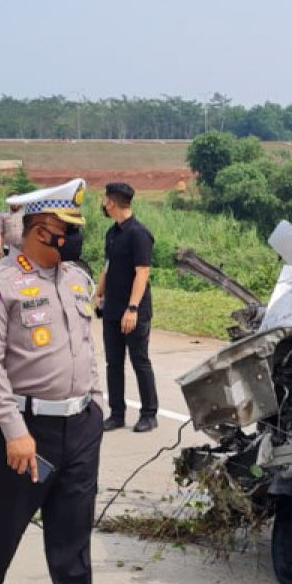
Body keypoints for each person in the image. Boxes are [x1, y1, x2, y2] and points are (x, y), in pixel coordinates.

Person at [0, 178, 138, 584]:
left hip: (78, 427)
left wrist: (94, 405)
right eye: (66, 229)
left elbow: (85, 348)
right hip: (20, 431)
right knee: (2, 529)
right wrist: (14, 431)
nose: (74, 238)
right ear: (38, 231)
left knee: (72, 536)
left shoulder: (76, 278)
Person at [95, 182, 159, 433]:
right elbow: (107, 267)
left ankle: (149, 413)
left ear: (112, 202)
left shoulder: (139, 233)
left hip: (134, 311)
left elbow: (142, 272)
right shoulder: (112, 233)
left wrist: (132, 309)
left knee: (139, 361)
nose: (103, 204)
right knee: (114, 363)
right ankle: (117, 413)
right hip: (112, 308)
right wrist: (99, 294)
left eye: (105, 200)